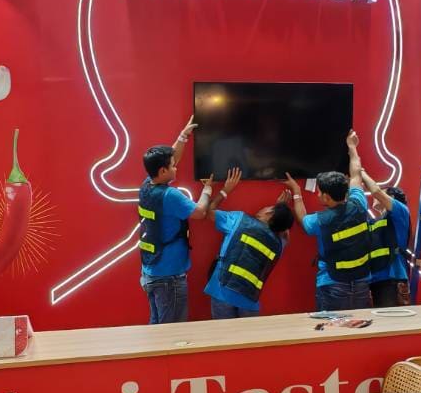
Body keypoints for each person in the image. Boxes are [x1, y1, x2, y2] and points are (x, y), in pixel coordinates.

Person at [284, 130, 373, 311]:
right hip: (362, 284)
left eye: (319, 192)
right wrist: (352, 147)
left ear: (326, 197)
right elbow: (356, 174)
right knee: (359, 327)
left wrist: (296, 192)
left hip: (333, 284)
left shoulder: (320, 220)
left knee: (332, 327)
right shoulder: (359, 204)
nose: (317, 194)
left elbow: (303, 220)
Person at [138, 115, 214, 324]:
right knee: (172, 333)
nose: (176, 167)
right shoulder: (170, 196)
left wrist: (182, 136)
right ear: (163, 171)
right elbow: (200, 212)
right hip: (169, 278)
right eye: (172, 166)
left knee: (158, 326)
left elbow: (172, 159)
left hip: (151, 272)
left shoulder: (146, 185)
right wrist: (207, 190)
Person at [202, 167, 295, 319]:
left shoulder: (238, 220)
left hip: (222, 291)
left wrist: (225, 190)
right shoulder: (279, 245)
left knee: (224, 333)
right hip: (250, 300)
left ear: (269, 213)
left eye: (269, 208)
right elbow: (284, 232)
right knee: (248, 335)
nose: (264, 207)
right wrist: (281, 211)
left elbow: (208, 211)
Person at [359, 170, 411, 308]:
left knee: (392, 319)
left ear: (391, 197)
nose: (374, 196)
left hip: (392, 279)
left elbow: (376, 191)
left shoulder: (400, 211)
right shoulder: (375, 221)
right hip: (374, 279)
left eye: (383, 193)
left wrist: (361, 173)